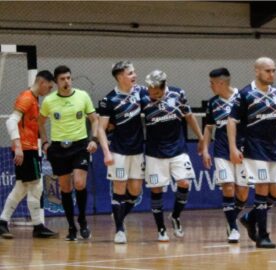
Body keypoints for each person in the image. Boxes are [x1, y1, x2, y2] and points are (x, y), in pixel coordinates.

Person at [227, 57, 276, 248]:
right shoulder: (245, 94)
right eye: (268, 71)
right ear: (257, 71)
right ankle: (262, 235)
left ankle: (251, 217)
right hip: (253, 148)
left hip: (273, 147)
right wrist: (233, 147)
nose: (272, 74)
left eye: (274, 70)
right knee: (262, 187)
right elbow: (231, 121)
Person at [141, 70, 204, 242]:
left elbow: (189, 116)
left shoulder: (178, 94)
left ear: (163, 87)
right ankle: (161, 228)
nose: (152, 95)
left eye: (156, 93)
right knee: (157, 189)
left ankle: (175, 216)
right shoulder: (142, 97)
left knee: (184, 183)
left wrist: (201, 138)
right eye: (150, 92)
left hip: (178, 148)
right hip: (155, 151)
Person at [38, 65, 98, 241]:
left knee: (79, 183)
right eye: (63, 79)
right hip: (58, 148)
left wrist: (93, 140)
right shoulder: (49, 101)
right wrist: (45, 142)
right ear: (56, 82)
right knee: (65, 187)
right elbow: (40, 122)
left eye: (69, 78)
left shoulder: (83, 96)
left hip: (80, 146)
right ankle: (71, 226)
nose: (67, 82)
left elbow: (94, 120)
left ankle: (83, 221)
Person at [0, 70, 58, 239]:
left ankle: (7, 222)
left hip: (31, 147)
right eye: (49, 86)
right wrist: (18, 146)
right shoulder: (27, 97)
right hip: (25, 149)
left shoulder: (34, 98)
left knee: (23, 187)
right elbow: (11, 120)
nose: (50, 89)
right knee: (36, 185)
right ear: (41, 83)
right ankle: (36, 226)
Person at [97, 61, 144, 244]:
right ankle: (119, 230)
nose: (135, 75)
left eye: (134, 72)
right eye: (131, 73)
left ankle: (119, 214)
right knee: (119, 189)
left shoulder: (140, 92)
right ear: (120, 77)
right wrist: (106, 153)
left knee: (135, 191)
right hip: (118, 151)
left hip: (138, 150)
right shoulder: (109, 100)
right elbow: (101, 129)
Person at [202, 68, 249, 244]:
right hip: (221, 151)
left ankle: (232, 217)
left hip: (243, 150)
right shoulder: (212, 103)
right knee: (228, 187)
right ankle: (233, 227)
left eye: (212, 83)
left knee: (243, 193)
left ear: (221, 83)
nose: (210, 86)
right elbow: (208, 127)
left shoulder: (243, 97)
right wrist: (206, 149)